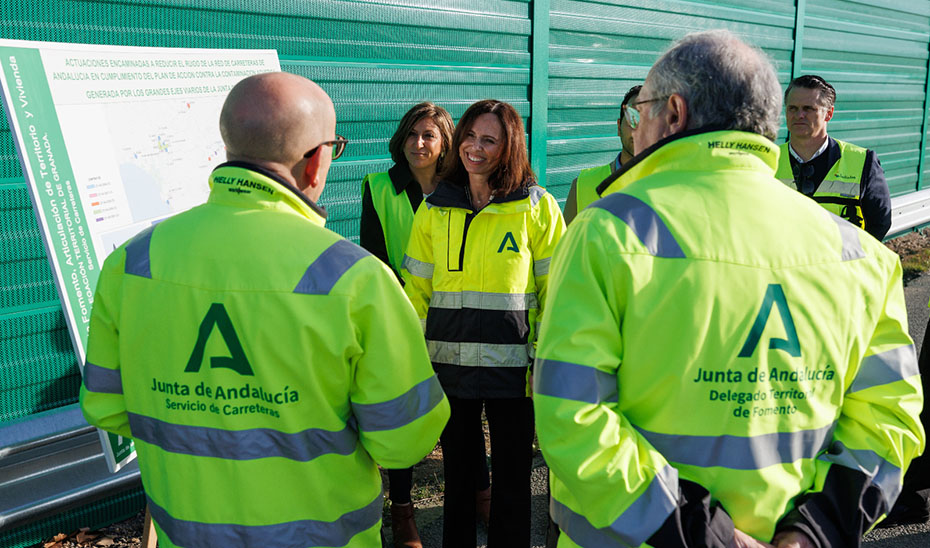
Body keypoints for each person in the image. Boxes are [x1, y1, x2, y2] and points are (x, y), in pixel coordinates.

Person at [533, 29, 924, 548]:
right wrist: (812, 533)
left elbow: (571, 414)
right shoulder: (861, 256)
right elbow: (891, 417)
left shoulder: (610, 232)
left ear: (673, 113)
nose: (636, 125)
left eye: (640, 110)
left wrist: (710, 536)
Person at [79, 72, 450, 548]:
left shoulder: (131, 263)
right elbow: (405, 440)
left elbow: (106, 406)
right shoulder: (355, 279)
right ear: (315, 162)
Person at [403, 99, 566, 547]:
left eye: (489, 140)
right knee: (458, 478)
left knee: (512, 481)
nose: (475, 148)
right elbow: (415, 291)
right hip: (447, 365)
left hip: (513, 371)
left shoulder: (537, 208)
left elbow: (558, 294)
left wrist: (545, 362)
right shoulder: (435, 208)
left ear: (508, 146)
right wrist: (415, 359)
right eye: (470, 137)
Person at [359, 102, 491, 547]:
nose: (419, 143)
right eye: (413, 134)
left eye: (429, 136)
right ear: (402, 139)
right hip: (401, 318)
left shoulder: (463, 185)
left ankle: (482, 492)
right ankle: (402, 512)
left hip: (455, 317)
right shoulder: (378, 186)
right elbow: (375, 258)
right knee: (405, 412)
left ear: (444, 143)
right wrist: (405, 310)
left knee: (462, 410)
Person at [775, 75, 891, 240]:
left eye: (808, 108)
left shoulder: (863, 161)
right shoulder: (768, 160)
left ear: (829, 114)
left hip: (839, 264)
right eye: (792, 108)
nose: (799, 115)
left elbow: (880, 222)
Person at [563, 84, 641, 224]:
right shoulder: (582, 186)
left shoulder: (672, 189)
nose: (639, 129)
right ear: (619, 126)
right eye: (633, 117)